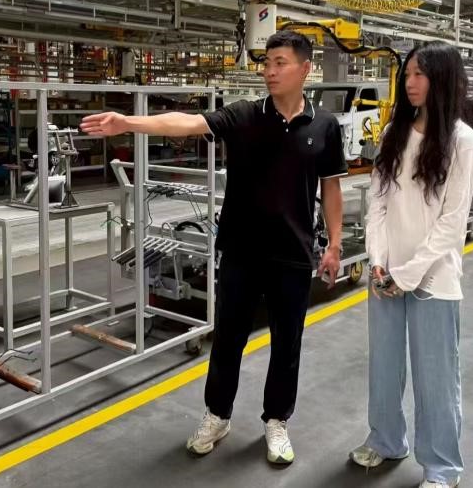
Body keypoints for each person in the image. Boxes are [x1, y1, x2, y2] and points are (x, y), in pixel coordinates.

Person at [81, 30, 347, 465]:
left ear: (305, 69)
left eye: (279, 63)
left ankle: (277, 420)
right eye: (266, 63)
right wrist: (129, 123)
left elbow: (331, 187)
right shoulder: (245, 115)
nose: (269, 71)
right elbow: (188, 122)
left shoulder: (325, 126)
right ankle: (217, 415)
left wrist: (334, 244)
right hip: (241, 251)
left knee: (287, 345)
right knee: (227, 341)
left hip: (294, 254)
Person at [349, 41, 473, 488]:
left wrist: (407, 274)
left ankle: (442, 466)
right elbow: (378, 204)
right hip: (387, 275)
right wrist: (378, 261)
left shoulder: (461, 140)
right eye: (407, 74)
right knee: (384, 367)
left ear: (442, 79)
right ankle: (386, 440)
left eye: (420, 74)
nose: (410, 82)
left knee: (436, 377)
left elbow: (452, 223)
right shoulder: (394, 132)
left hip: (433, 279)